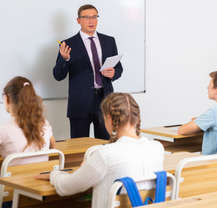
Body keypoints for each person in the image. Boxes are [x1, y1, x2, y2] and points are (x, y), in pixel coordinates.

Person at [37, 93, 164, 208]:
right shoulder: (157, 148)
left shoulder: (105, 155)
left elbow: (67, 187)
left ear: (109, 118)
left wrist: (55, 174)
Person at [53, 4, 123, 140]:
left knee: (105, 146)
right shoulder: (67, 44)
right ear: (78, 20)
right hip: (80, 104)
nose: (91, 21)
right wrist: (65, 59)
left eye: (94, 17)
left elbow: (119, 68)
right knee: (78, 148)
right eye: (86, 17)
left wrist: (113, 73)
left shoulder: (109, 41)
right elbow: (58, 75)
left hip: (105, 102)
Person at [0, 76, 55, 166]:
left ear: (7, 98)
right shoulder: (44, 124)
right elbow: (53, 146)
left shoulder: (3, 130)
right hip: (41, 178)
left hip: (12, 180)